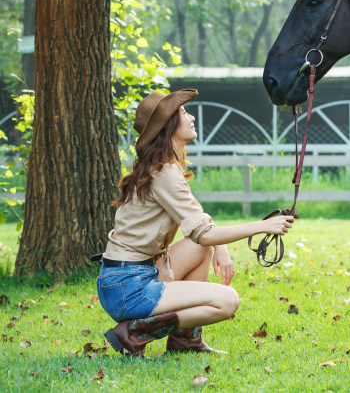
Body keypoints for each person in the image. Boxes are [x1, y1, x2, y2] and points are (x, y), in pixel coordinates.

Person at [96, 88, 295, 357]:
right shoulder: (164, 173)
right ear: (168, 126)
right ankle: (135, 332)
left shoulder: (164, 167)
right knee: (227, 301)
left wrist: (220, 247)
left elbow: (198, 224)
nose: (190, 117)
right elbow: (203, 233)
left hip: (128, 276)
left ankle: (185, 341)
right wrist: (264, 226)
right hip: (129, 287)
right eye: (182, 113)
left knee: (201, 248)